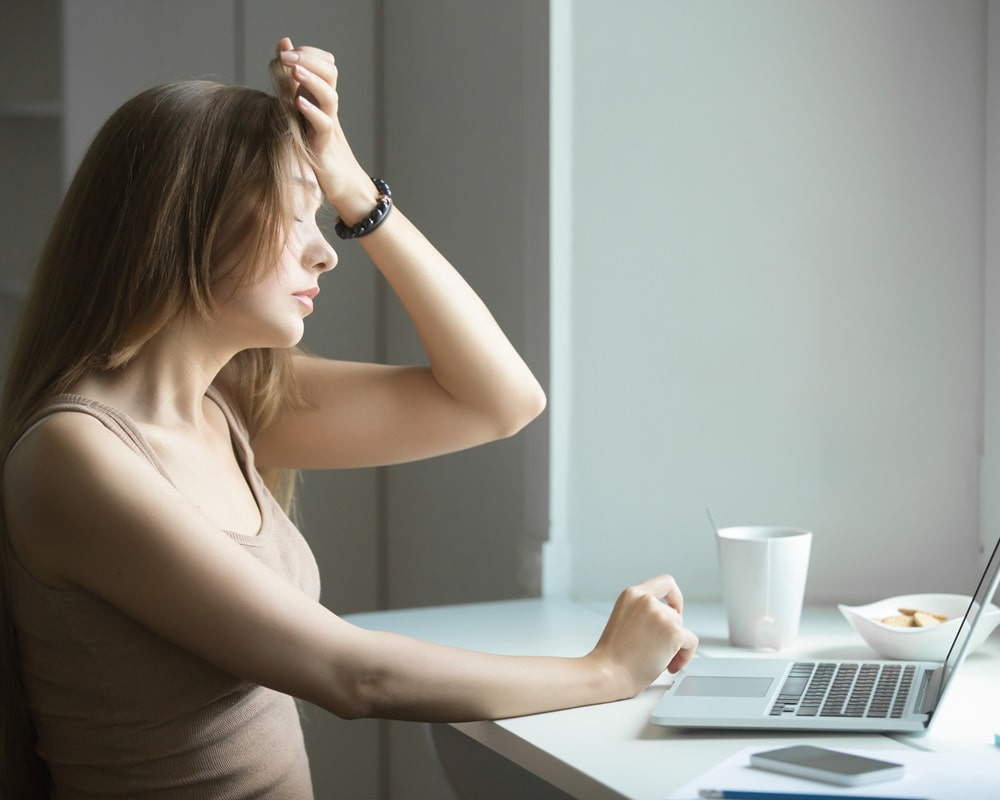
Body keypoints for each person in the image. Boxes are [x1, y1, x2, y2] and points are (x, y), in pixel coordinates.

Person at [0, 38, 698, 798]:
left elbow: (502, 400)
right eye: (294, 215)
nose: (324, 253)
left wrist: (351, 186)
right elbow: (351, 675)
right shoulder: (73, 454)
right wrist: (604, 671)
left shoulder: (227, 404)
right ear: (190, 225)